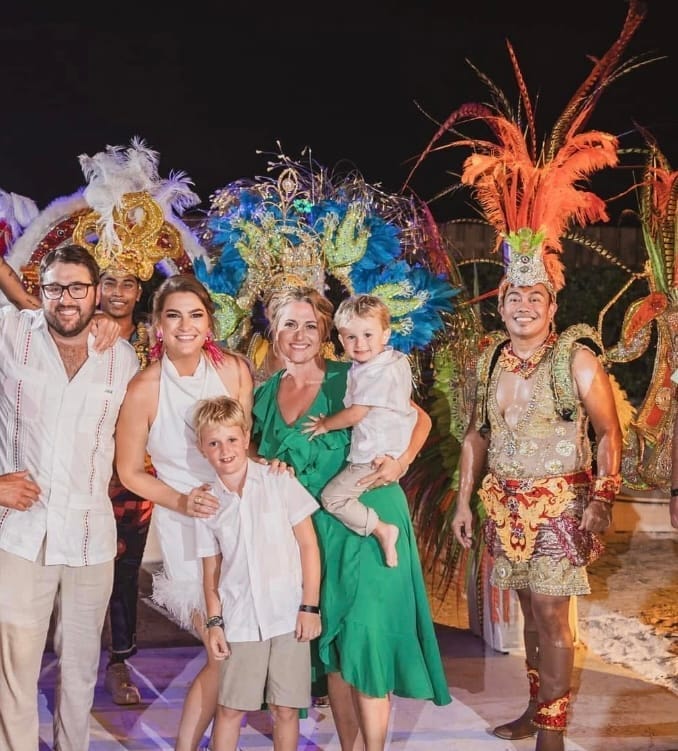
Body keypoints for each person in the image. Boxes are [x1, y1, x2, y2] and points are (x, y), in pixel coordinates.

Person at [252, 285, 451, 751]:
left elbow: (420, 420)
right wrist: (267, 465)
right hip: (311, 537)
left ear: (326, 332)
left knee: (367, 639)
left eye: (310, 325)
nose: (299, 335)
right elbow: (252, 454)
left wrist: (401, 463)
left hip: (370, 515)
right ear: (273, 331)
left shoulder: (355, 374)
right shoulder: (265, 395)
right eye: (289, 324)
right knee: (336, 651)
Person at [451, 249, 622, 751]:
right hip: (505, 510)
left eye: (535, 298)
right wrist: (463, 502)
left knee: (550, 614)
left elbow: (609, 432)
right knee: (529, 612)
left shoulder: (575, 358)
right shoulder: (489, 361)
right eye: (514, 298)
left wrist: (603, 497)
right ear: (501, 307)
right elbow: (476, 435)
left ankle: (552, 731)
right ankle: (535, 708)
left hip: (560, 506)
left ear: (552, 309)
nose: (524, 306)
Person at [0, 244, 140, 751]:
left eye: (77, 288)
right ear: (39, 290)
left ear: (96, 292)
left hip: (89, 535)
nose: (65, 299)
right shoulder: (9, 333)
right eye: (54, 287)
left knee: (81, 668)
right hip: (20, 532)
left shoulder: (121, 358)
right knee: (15, 667)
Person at [115, 273, 254, 751]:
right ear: (157, 324)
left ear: (210, 322)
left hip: (238, 522)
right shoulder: (145, 387)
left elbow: (244, 448)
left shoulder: (234, 372)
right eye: (173, 316)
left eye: (195, 315)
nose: (185, 325)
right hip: (185, 528)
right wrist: (181, 501)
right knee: (222, 652)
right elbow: (130, 470)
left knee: (237, 651)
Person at [194, 395, 321, 751]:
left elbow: (308, 546)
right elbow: (211, 573)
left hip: (287, 615)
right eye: (214, 443)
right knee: (231, 707)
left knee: (286, 709)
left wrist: (309, 607)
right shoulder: (207, 503)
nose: (225, 450)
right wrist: (215, 623)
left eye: (232, 439)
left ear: (246, 437)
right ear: (201, 448)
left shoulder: (278, 480)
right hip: (241, 619)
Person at [303, 294, 415, 568]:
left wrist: (325, 424)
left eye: (367, 335)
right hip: (388, 447)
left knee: (333, 498)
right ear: (341, 340)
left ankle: (382, 529)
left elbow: (355, 413)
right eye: (351, 337)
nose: (360, 344)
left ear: (385, 334)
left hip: (375, 456)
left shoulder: (377, 373)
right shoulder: (390, 361)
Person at [99, 268, 155, 705]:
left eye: (128, 283)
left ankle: (119, 661)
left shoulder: (156, 338)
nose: (119, 293)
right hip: (83, 468)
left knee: (124, 569)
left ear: (140, 291)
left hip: (135, 475)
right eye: (110, 282)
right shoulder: (77, 330)